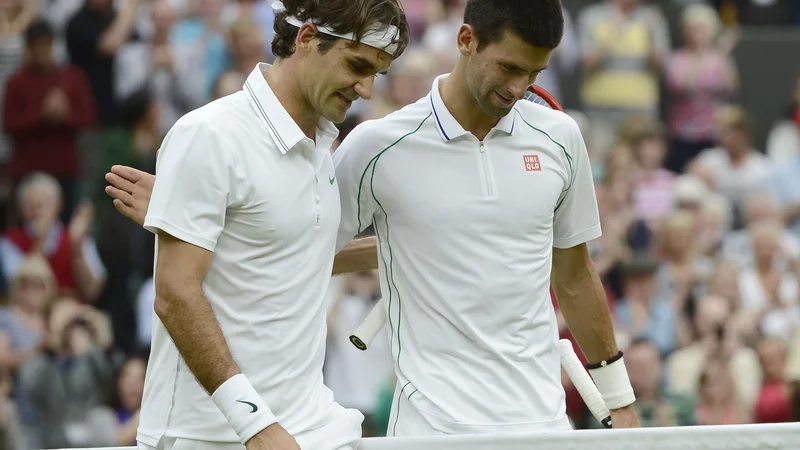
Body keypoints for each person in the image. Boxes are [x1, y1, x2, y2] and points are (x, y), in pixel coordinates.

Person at [107, 0, 640, 437]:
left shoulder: (321, 142)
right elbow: (198, 284)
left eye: (534, 73)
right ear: (466, 40)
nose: (520, 86)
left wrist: (620, 401)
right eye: (509, 67)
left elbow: (302, 250)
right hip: (252, 431)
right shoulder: (352, 144)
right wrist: (198, 222)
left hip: (330, 424)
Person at [105, 0, 410, 449]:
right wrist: (256, 426)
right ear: (306, 39)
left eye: (377, 74)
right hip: (209, 436)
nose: (366, 88)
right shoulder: (209, 136)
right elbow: (174, 295)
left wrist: (415, 250)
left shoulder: (320, 146)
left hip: (313, 425)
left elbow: (293, 254)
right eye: (357, 64)